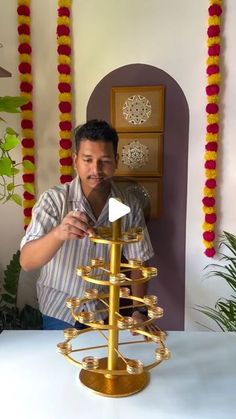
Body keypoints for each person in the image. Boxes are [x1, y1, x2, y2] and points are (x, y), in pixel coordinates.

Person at [20, 119, 154, 330]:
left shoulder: (129, 205)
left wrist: (140, 310)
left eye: (105, 161)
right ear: (75, 161)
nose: (96, 170)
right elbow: (27, 261)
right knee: (64, 362)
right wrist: (59, 234)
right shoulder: (54, 201)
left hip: (105, 311)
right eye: (88, 160)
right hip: (60, 310)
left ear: (116, 161)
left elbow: (139, 261)